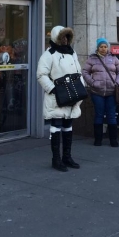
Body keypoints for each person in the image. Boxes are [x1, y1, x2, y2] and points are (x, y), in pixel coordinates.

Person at [37, 25, 84, 172]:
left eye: (66, 37)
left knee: (68, 125)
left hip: (72, 95)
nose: (64, 40)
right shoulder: (49, 54)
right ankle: (56, 159)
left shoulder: (72, 52)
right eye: (62, 37)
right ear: (56, 38)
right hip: (57, 96)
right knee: (56, 126)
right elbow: (41, 75)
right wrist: (53, 90)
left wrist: (81, 86)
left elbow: (78, 71)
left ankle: (67, 157)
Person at [82, 38, 119, 147]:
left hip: (111, 92)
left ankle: (113, 140)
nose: (103, 49)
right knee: (99, 115)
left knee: (111, 116)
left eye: (105, 47)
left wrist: (118, 82)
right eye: (101, 47)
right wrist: (92, 82)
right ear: (97, 48)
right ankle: (98, 140)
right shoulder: (92, 59)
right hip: (97, 92)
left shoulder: (114, 58)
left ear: (108, 48)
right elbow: (85, 72)